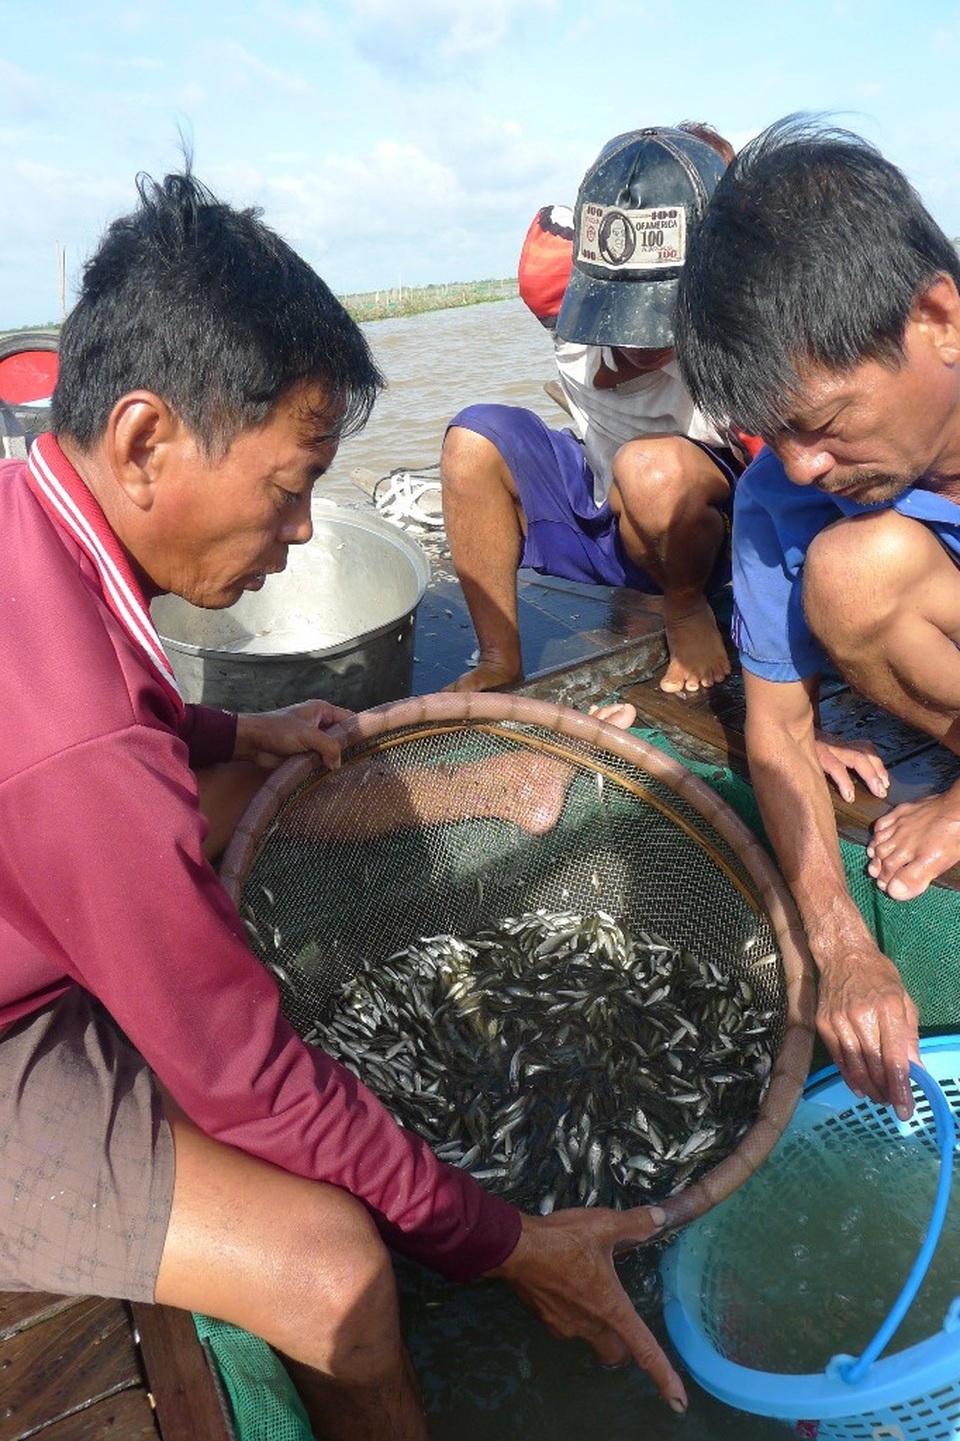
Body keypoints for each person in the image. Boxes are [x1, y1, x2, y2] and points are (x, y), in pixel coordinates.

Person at [0, 167, 687, 1440]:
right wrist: (507, 1241)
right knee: (334, 1277)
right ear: (145, 442)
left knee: (236, 790)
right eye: (291, 484)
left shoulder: (28, 518)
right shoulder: (81, 755)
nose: (307, 530)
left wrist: (231, 728)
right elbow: (248, 1083)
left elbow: (97, 717)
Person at [672, 114, 960, 1123]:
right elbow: (779, 733)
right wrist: (841, 948)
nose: (801, 466)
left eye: (824, 423)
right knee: (853, 574)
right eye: (773, 432)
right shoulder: (778, 495)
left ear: (938, 319)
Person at [441, 122, 751, 697]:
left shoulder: (744, 328)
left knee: (648, 469)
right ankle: (498, 658)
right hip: (607, 510)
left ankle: (685, 607)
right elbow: (608, 361)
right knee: (473, 438)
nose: (643, 336)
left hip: (708, 535)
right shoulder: (563, 288)